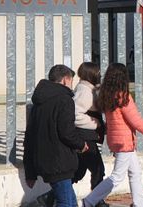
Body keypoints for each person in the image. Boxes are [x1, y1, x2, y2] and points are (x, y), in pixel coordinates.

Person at [82, 63, 143, 207]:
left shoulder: (106, 95)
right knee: (117, 177)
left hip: (116, 139)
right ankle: (90, 200)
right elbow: (136, 121)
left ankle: (140, 204)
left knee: (135, 172)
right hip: (124, 142)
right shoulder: (123, 97)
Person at [23, 65, 88, 207]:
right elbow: (67, 132)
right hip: (60, 162)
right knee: (65, 202)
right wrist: (81, 144)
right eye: (71, 81)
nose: (72, 86)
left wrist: (30, 171)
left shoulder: (39, 102)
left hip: (46, 161)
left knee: (70, 201)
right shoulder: (64, 100)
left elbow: (30, 137)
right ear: (65, 80)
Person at [72, 62, 107, 199]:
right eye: (97, 73)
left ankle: (50, 197)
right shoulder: (85, 92)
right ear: (91, 74)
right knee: (98, 169)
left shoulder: (87, 89)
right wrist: (95, 124)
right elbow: (75, 115)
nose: (99, 75)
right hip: (85, 136)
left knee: (79, 171)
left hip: (85, 136)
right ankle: (96, 200)